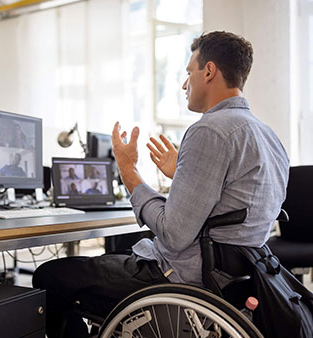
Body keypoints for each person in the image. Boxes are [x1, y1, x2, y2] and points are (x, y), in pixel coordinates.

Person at [32, 31, 289, 338]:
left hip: (180, 278)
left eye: (188, 73)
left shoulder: (210, 130)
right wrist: (181, 176)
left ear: (208, 71)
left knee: (50, 275)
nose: (184, 84)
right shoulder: (267, 136)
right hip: (233, 278)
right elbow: (230, 209)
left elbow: (174, 233)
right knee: (110, 257)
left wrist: (129, 172)